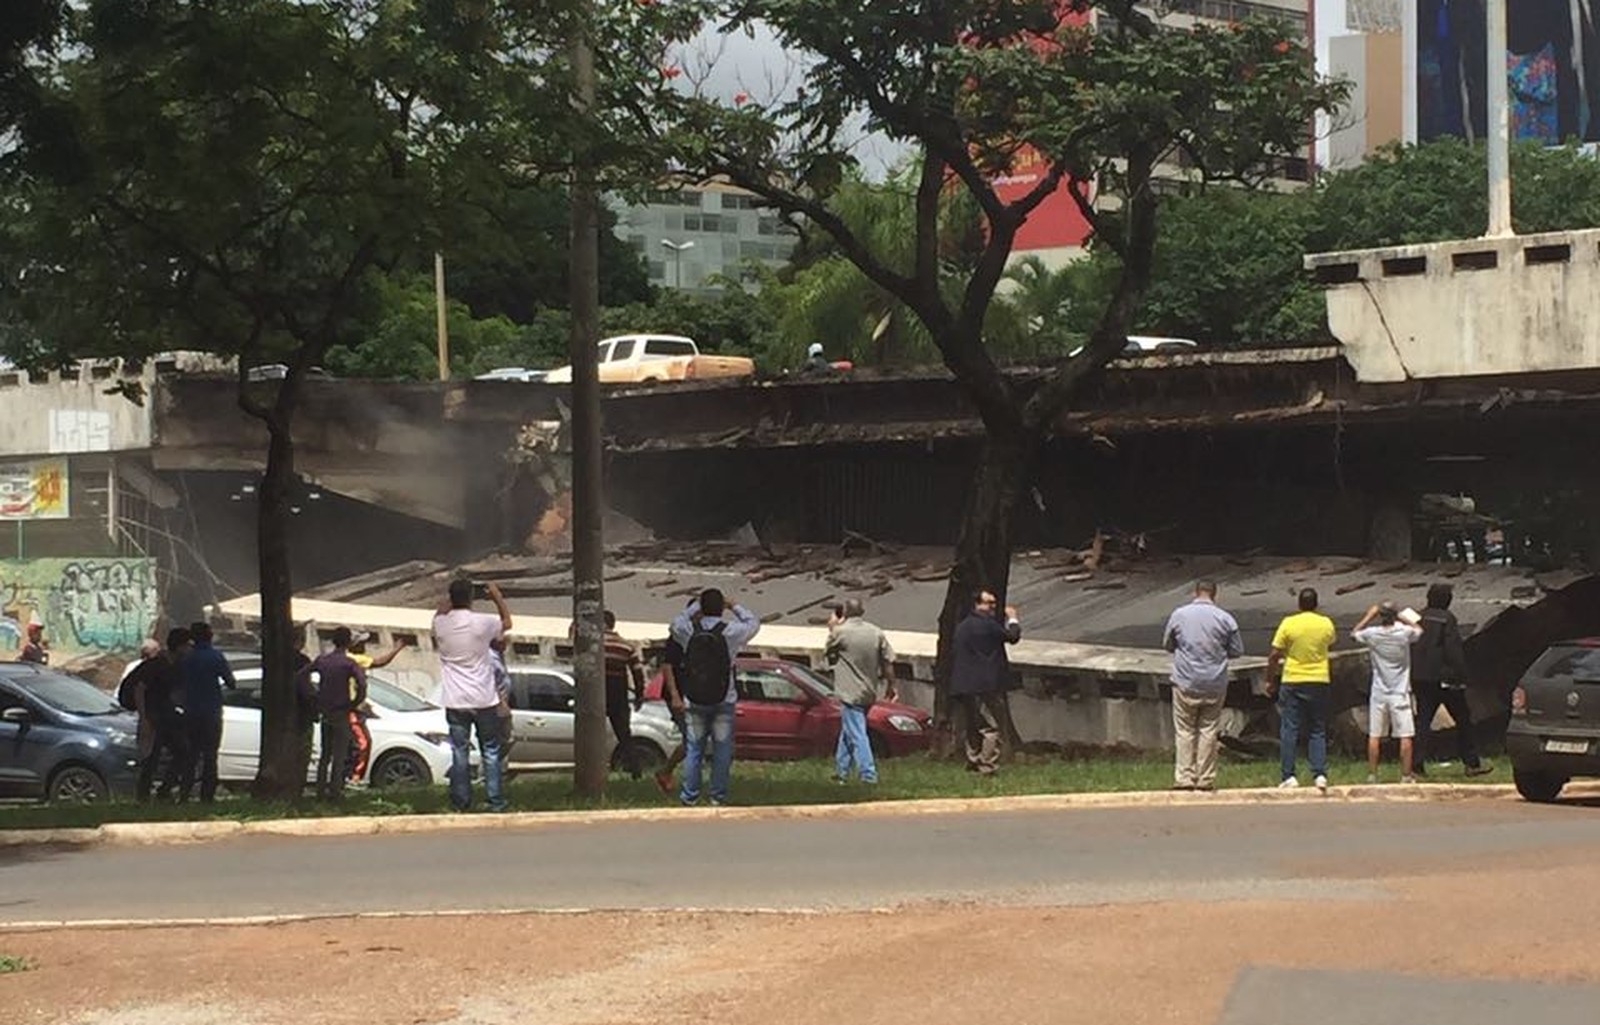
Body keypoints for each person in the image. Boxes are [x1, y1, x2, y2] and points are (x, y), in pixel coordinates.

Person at [669, 589, 761, 807]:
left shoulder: (688, 630)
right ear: (721, 608)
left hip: (695, 698)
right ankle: (717, 797)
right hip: (723, 699)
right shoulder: (731, 632)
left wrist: (695, 606)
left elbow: (675, 622)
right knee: (722, 749)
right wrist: (734, 605)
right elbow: (753, 623)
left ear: (702, 607)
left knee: (694, 749)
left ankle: (689, 797)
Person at [433, 578, 513, 812]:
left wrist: (448, 601)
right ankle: (495, 800)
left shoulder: (440, 624)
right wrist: (497, 596)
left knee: (460, 752)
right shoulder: (482, 623)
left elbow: (439, 612)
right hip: (483, 698)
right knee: (490, 750)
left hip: (455, 700)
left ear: (451, 597)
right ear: (471, 598)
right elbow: (507, 622)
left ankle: (460, 802)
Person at [1162, 580, 1243, 792]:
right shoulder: (1226, 619)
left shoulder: (1179, 615)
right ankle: (1205, 778)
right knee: (1208, 729)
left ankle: (1185, 777)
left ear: (1195, 593)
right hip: (1214, 682)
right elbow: (1236, 651)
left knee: (1185, 730)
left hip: (1186, 681)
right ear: (1215, 595)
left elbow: (1168, 645)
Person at [1411, 583, 1493, 778]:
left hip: (1420, 677)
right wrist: (1462, 674)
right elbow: (1453, 651)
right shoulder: (1447, 619)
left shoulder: (1418, 616)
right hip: (1445, 679)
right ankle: (1472, 763)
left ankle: (1416, 764)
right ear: (1447, 600)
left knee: (1423, 721)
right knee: (1463, 720)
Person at [1268, 589, 1337, 793]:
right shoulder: (1326, 623)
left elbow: (1274, 653)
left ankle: (1289, 775)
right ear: (1316, 604)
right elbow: (1330, 642)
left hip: (1293, 678)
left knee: (1290, 729)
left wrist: (1270, 678)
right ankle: (1320, 773)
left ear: (1299, 604)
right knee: (1318, 728)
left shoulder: (1289, 623)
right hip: (1319, 678)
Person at [949, 590, 1022, 777]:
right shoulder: (987, 625)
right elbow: (1012, 637)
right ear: (977, 604)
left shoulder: (963, 626)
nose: (993, 608)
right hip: (985, 684)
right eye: (989, 603)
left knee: (973, 724)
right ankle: (987, 764)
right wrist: (1012, 618)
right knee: (991, 726)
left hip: (964, 684)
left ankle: (973, 760)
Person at [825, 598, 896, 785]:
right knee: (848, 732)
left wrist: (832, 628)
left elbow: (829, 656)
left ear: (845, 612)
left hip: (849, 691)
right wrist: (891, 685)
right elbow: (888, 662)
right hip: (869, 690)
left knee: (857, 733)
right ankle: (841, 772)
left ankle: (868, 774)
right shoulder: (875, 632)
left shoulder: (840, 633)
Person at [1351, 602, 1424, 784]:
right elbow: (1419, 630)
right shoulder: (1403, 633)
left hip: (1379, 691)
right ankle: (1406, 775)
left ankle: (1373, 774)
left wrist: (1369, 616)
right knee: (1405, 735)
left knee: (1375, 734)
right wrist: (1401, 616)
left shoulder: (1372, 634)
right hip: (1400, 691)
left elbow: (1354, 634)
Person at [300, 626, 367, 801]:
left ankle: (320, 791)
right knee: (340, 754)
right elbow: (362, 684)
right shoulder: (348, 663)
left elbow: (301, 676)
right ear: (348, 642)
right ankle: (335, 792)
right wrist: (355, 702)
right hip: (342, 711)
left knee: (325, 754)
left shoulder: (323, 661)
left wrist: (313, 696)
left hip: (326, 712)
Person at [179, 621, 235, 804]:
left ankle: (184, 794)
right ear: (209, 636)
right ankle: (207, 796)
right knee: (211, 756)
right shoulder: (216, 657)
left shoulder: (186, 658)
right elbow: (231, 683)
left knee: (191, 755)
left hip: (190, 711)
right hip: (211, 712)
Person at [135, 630, 192, 803]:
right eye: (188, 645)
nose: (190, 648)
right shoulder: (157, 664)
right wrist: (144, 718)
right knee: (151, 757)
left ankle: (164, 790)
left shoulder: (177, 665)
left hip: (168, 716)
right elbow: (139, 689)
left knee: (183, 751)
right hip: (153, 717)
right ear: (180, 646)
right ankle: (143, 796)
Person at [345, 633, 407, 784]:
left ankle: (347, 777)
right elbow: (380, 662)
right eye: (361, 643)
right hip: (352, 711)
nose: (364, 647)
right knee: (362, 744)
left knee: (350, 745)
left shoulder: (347, 658)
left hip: (349, 709)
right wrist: (396, 649)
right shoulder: (356, 659)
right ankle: (354, 778)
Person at [653, 600, 697, 796]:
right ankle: (669, 773)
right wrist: (675, 696)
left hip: (697, 695)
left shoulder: (703, 635)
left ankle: (667, 772)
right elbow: (668, 666)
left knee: (697, 739)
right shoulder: (678, 636)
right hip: (679, 694)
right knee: (692, 739)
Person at [603, 610, 647, 780]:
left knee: (594, 733)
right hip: (619, 694)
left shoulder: (594, 643)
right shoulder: (626, 646)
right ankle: (635, 770)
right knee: (624, 734)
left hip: (598, 694)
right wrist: (639, 695)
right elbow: (637, 673)